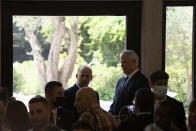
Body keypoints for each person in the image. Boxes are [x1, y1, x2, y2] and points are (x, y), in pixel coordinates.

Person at [109, 50, 150, 115]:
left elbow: (141, 105)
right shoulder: (120, 81)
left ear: (134, 62)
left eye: (124, 62)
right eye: (121, 63)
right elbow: (115, 102)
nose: (121, 65)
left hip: (131, 121)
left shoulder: (141, 80)